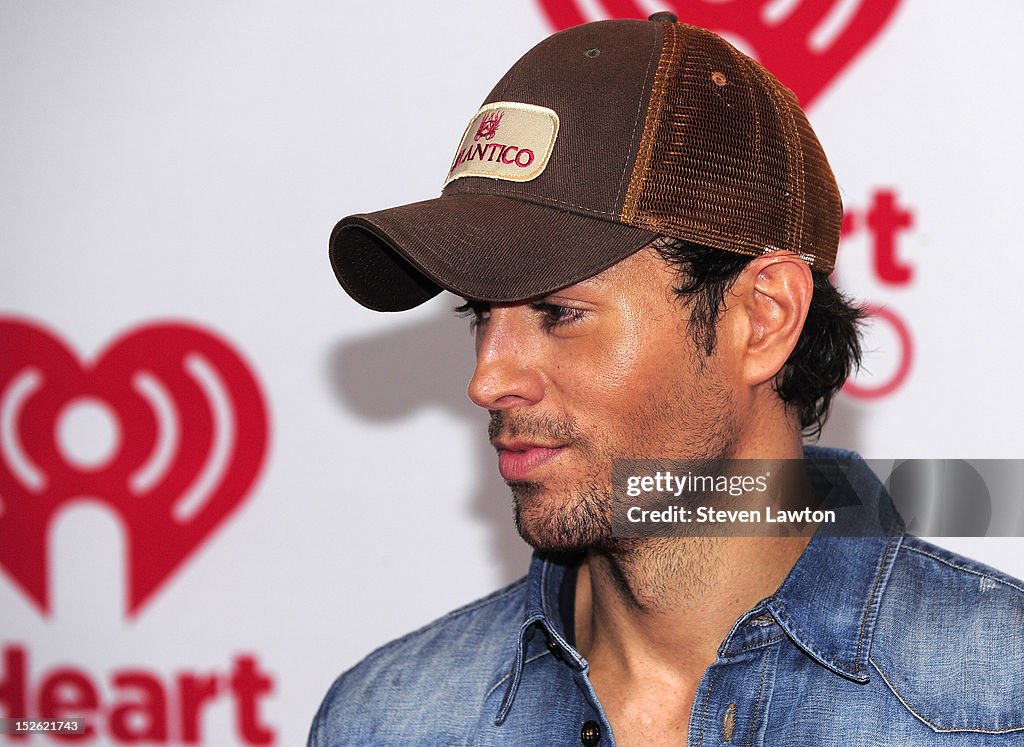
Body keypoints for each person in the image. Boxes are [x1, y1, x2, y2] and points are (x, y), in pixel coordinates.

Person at [310, 14, 1024, 746]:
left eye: (558, 311)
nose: (487, 379)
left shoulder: (1004, 700)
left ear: (765, 317)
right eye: (478, 315)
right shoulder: (386, 721)